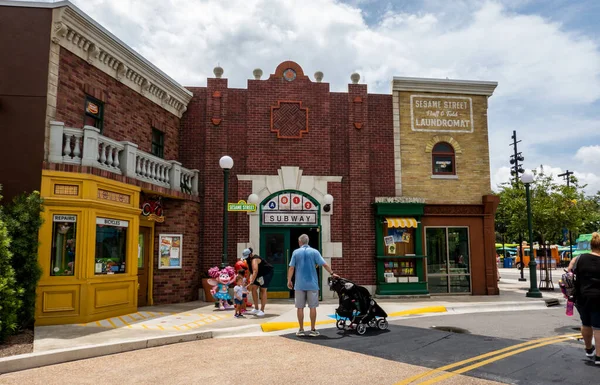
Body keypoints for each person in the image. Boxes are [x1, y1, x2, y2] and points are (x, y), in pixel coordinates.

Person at [287, 234, 337, 337]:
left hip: (299, 284)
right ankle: (313, 329)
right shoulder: (315, 252)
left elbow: (291, 267)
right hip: (312, 284)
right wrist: (332, 273)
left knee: (299, 307)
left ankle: (301, 329)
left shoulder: (296, 252)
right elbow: (324, 264)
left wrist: (289, 280)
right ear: (308, 241)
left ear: (300, 242)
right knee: (312, 307)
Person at [573, 232, 600, 365]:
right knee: (599, 327)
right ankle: (599, 357)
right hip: (599, 298)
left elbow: (568, 273)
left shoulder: (579, 258)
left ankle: (589, 350)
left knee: (586, 323)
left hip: (582, 296)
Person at [243, 247, 274, 317]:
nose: (246, 258)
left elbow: (255, 271)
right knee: (253, 289)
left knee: (263, 289)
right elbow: (249, 270)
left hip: (266, 273)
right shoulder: (248, 260)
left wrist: (251, 281)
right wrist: (246, 280)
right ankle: (256, 308)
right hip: (258, 274)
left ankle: (262, 310)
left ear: (250, 254)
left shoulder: (254, 259)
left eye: (246, 256)